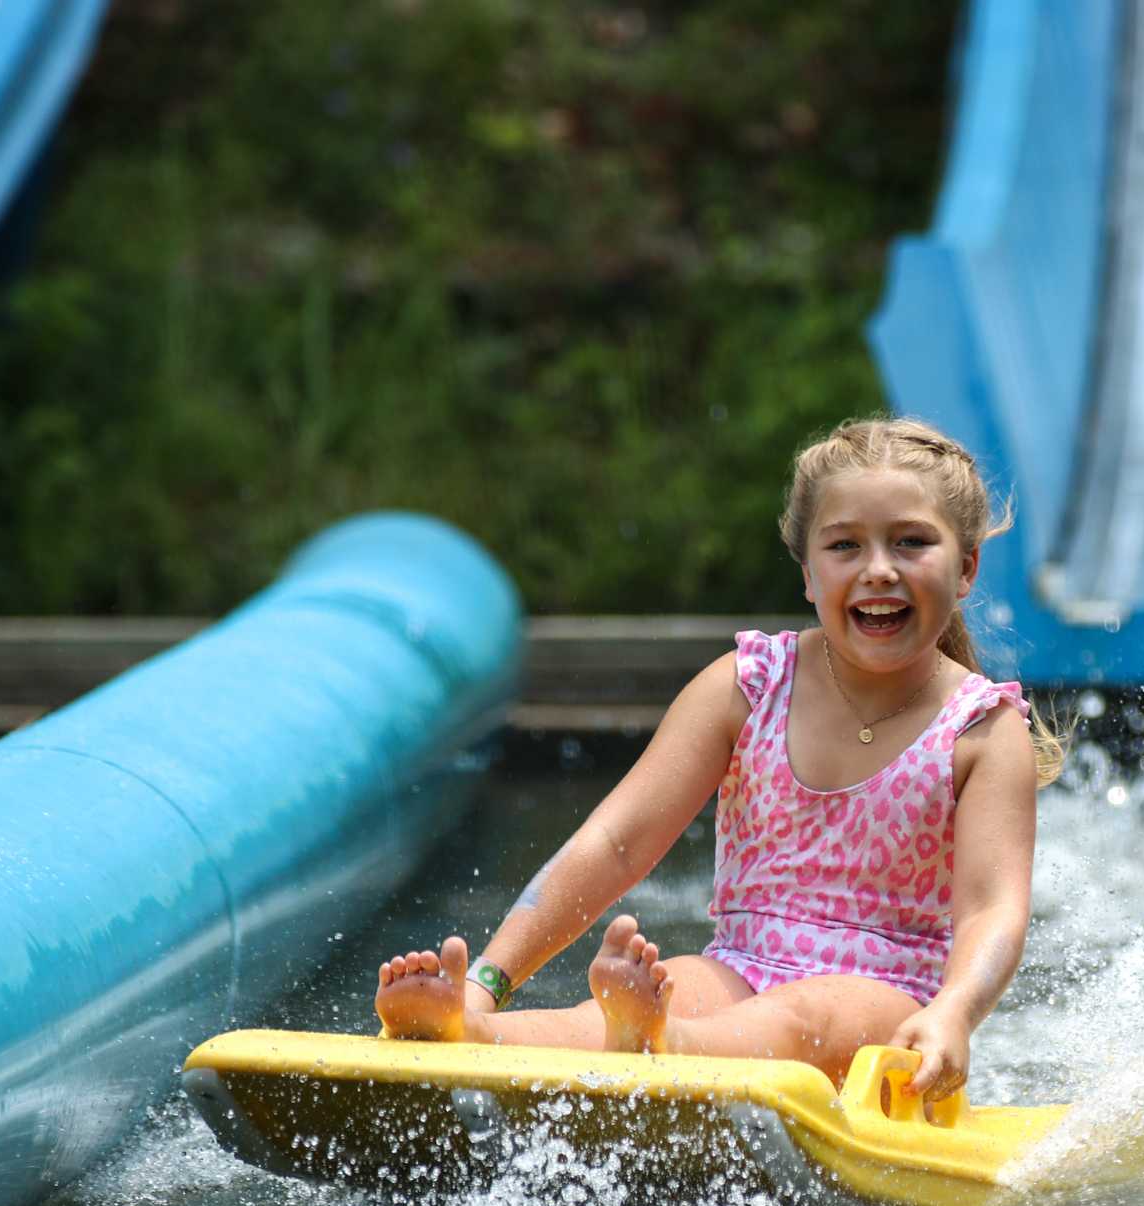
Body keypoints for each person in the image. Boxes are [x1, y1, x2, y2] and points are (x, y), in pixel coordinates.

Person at [373, 416, 1066, 1100]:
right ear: (807, 572)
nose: (878, 569)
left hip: (887, 1003)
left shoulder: (980, 727)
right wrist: (487, 981)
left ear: (967, 567)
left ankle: (663, 1043)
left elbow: (992, 910)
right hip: (741, 966)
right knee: (665, 987)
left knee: (799, 1016)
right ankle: (473, 1032)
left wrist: (954, 1011)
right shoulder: (748, 685)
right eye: (845, 545)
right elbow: (616, 842)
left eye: (911, 542)